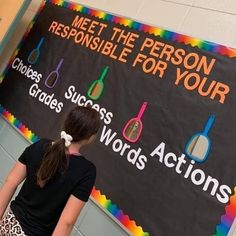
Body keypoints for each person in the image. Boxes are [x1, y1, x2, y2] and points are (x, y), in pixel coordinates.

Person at [0, 105, 101, 236]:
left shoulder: (40, 145)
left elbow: (10, 182)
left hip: (8, 226)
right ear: (90, 137)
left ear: (66, 123)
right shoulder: (86, 172)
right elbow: (67, 222)